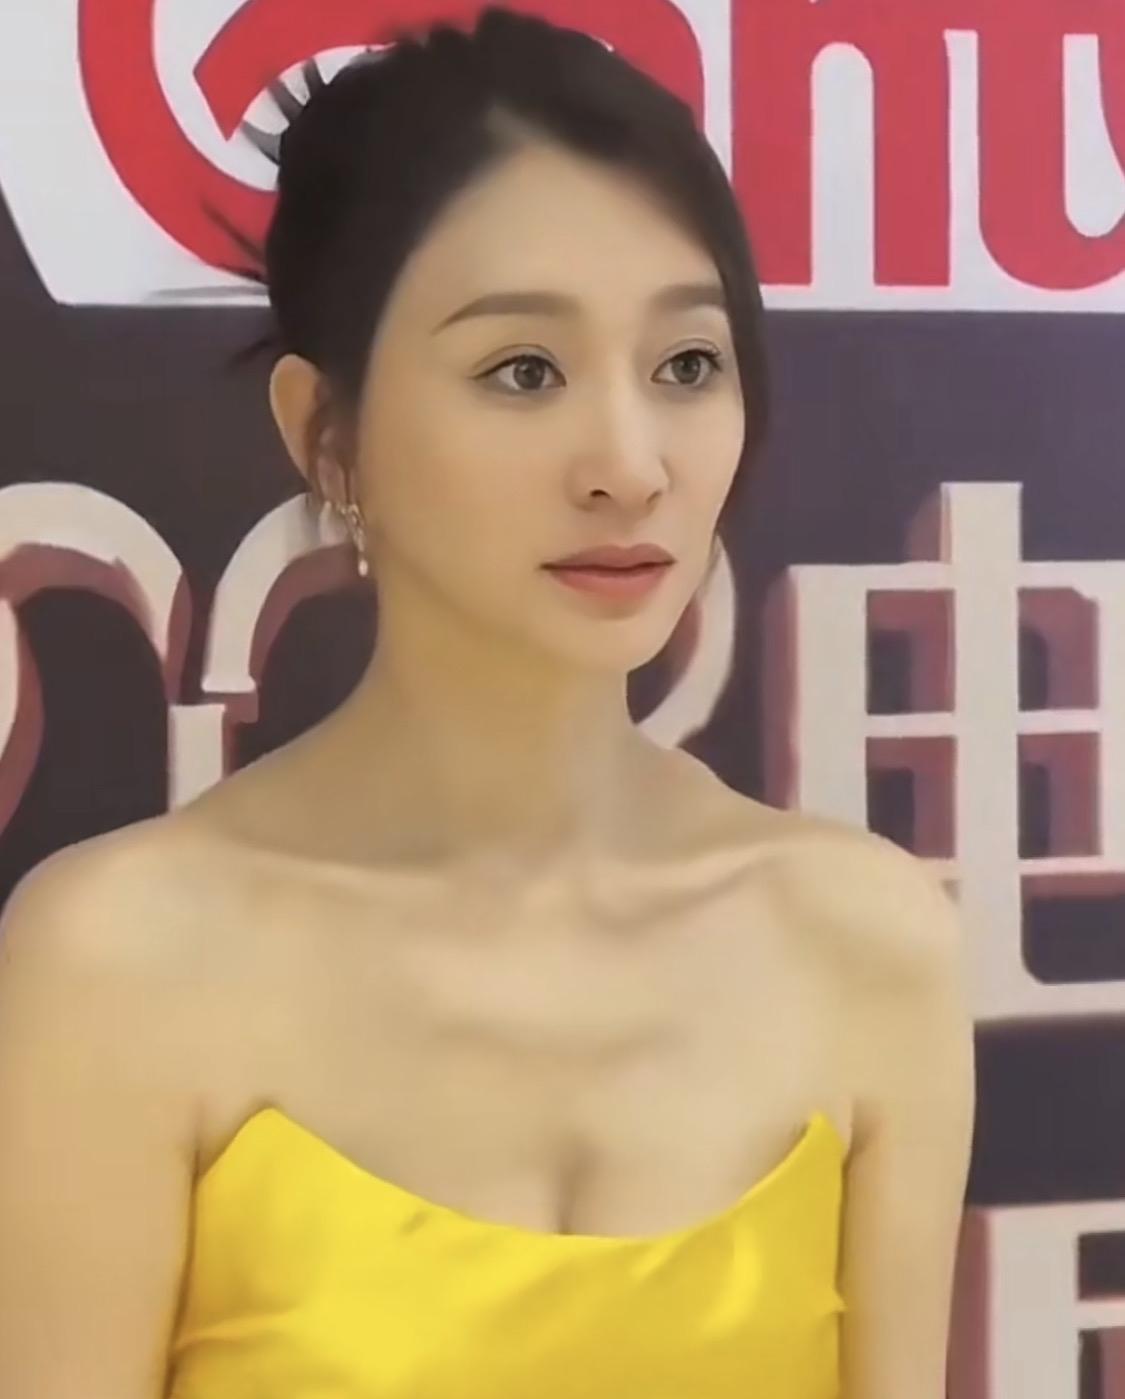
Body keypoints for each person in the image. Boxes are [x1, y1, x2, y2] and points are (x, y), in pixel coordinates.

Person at [0, 8, 974, 1397]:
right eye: (524, 371)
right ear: (324, 433)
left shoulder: (865, 941)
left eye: (686, 366)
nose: (629, 464)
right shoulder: (118, 960)